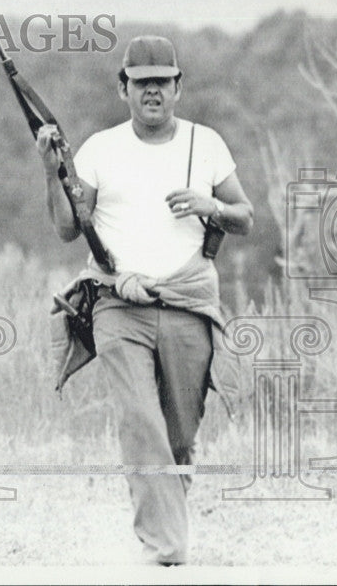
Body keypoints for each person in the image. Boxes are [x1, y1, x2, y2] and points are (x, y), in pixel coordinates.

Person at [38, 36, 253, 565]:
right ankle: (166, 546)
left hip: (187, 302)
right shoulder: (99, 149)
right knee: (140, 419)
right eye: (141, 82)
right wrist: (50, 171)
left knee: (179, 433)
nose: (152, 91)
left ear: (178, 87)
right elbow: (69, 228)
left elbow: (245, 216)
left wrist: (210, 205)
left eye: (162, 81)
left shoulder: (207, 145)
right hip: (118, 304)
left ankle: (166, 518)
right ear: (123, 88)